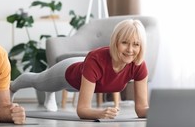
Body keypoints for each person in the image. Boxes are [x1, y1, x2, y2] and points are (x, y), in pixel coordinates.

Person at [10, 19, 149, 120]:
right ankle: (12, 86)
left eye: (136, 44)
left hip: (85, 67)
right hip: (67, 73)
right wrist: (99, 113)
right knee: (39, 80)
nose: (130, 50)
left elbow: (141, 110)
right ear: (115, 42)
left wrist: (160, 113)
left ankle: (49, 93)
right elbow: (82, 110)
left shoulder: (138, 64)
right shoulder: (97, 59)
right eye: (124, 43)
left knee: (45, 83)